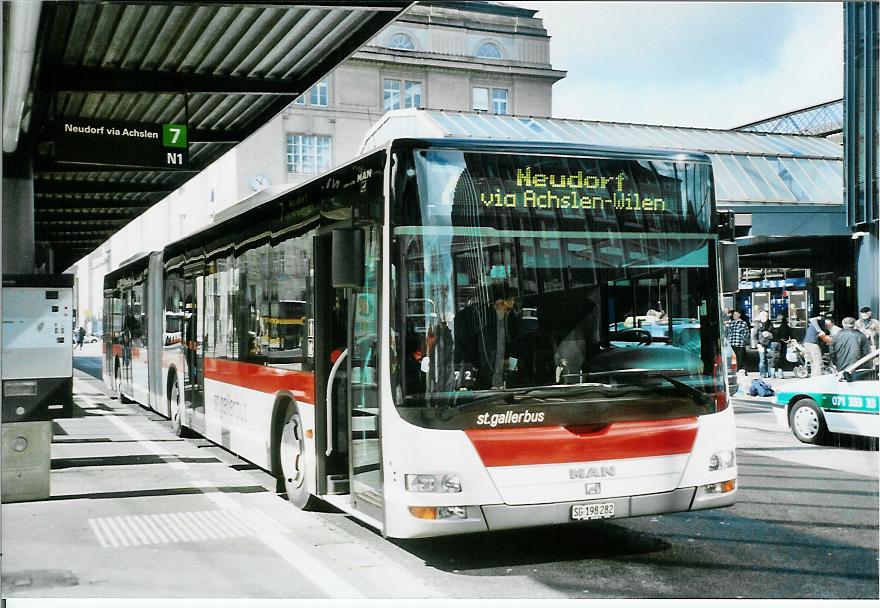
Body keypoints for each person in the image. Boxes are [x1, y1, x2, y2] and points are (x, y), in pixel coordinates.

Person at [754, 310, 772, 377]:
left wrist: (769, 334)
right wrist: (757, 344)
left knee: (769, 359)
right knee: (762, 360)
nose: (766, 317)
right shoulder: (758, 324)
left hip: (769, 343)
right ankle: (763, 373)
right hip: (761, 344)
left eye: (766, 316)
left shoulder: (770, 323)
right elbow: (754, 335)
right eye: (764, 316)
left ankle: (770, 373)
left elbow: (773, 332)